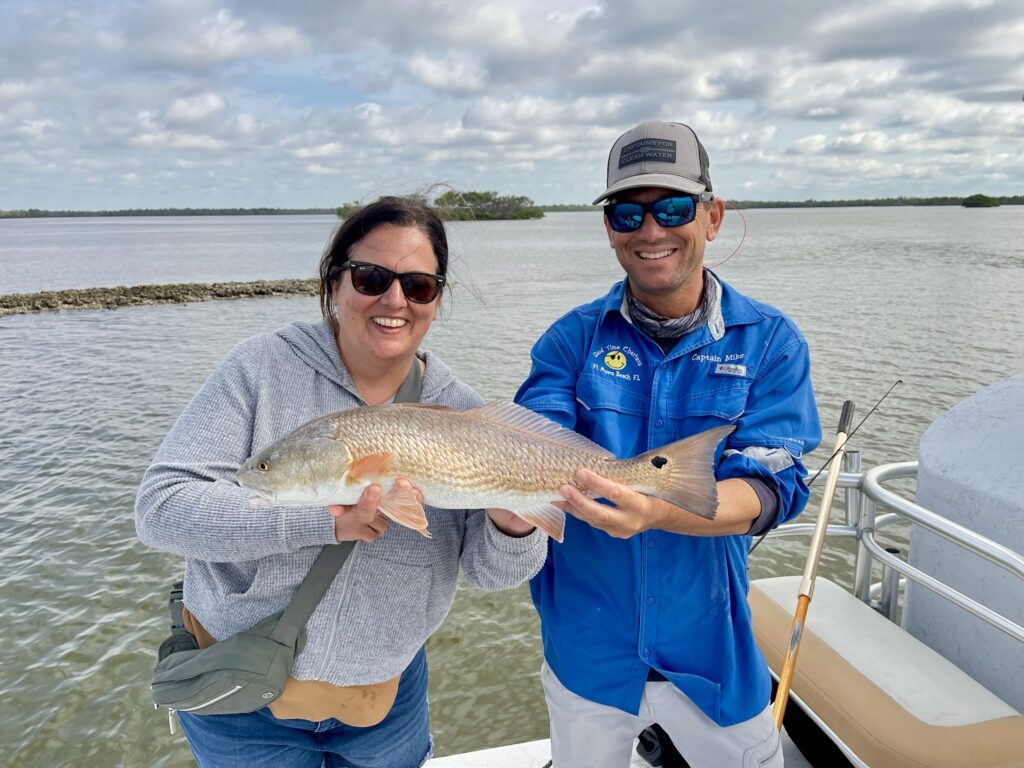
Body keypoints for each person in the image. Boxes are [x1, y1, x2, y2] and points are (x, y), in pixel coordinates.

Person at [136, 195, 547, 768]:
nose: (394, 300)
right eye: (371, 277)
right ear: (334, 283)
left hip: (382, 703)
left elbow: (491, 572)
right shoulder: (260, 369)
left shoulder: (461, 411)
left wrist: (514, 516)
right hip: (240, 693)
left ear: (436, 299)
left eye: (419, 285)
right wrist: (322, 521)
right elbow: (160, 509)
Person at [514, 121, 822, 767]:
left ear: (712, 216)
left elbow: (772, 485)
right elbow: (525, 444)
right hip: (587, 650)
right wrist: (499, 504)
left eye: (673, 208)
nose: (651, 231)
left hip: (711, 650)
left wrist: (657, 510)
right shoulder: (569, 342)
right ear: (609, 228)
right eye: (628, 213)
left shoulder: (771, 341)